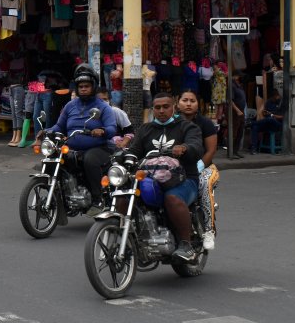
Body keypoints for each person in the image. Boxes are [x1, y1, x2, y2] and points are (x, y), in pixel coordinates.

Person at [125, 92, 205, 261]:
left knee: (172, 198)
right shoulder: (146, 129)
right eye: (157, 107)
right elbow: (134, 151)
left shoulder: (187, 126)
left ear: (174, 107)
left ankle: (186, 244)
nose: (161, 110)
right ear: (153, 109)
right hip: (150, 177)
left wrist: (184, 148)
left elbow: (197, 146)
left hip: (184, 179)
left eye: (165, 107)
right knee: (124, 193)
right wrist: (121, 156)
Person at [40, 66, 117, 217]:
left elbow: (112, 128)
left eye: (86, 86)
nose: (83, 89)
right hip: (72, 147)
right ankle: (61, 196)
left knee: (90, 159)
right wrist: (48, 131)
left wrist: (102, 131)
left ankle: (98, 200)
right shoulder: (70, 106)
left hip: (100, 148)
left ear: (93, 87)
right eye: (80, 86)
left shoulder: (102, 107)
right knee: (54, 158)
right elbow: (59, 126)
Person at [178, 89, 220, 251]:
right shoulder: (172, 122)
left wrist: (198, 167)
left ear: (198, 104)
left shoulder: (206, 123)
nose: (188, 104)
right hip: (178, 167)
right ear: (178, 103)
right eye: (185, 100)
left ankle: (209, 230)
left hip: (205, 168)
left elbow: (211, 151)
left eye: (192, 101)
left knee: (203, 184)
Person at [249, 88, 287, 154]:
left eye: (273, 97)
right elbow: (265, 112)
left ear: (276, 96)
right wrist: (265, 113)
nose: (272, 99)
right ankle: (254, 148)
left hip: (277, 124)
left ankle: (251, 123)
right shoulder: (269, 102)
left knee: (270, 119)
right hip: (267, 123)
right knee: (255, 128)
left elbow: (282, 117)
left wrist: (272, 115)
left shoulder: (282, 103)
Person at [227, 75, 247, 158]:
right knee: (234, 132)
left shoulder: (239, 86)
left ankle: (236, 151)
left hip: (241, 111)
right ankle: (230, 152)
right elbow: (230, 100)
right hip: (235, 111)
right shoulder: (232, 86)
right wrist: (237, 110)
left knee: (240, 132)